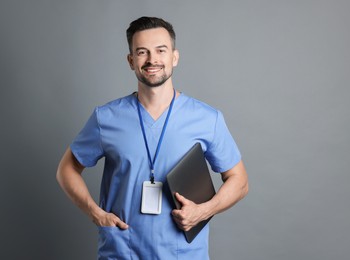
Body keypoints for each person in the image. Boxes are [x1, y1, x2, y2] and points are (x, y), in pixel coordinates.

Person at [56, 16, 248, 259]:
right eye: (142, 52)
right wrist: (96, 213)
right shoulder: (106, 118)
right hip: (122, 251)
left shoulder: (207, 118)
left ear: (174, 57)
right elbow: (66, 170)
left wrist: (203, 211)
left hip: (182, 253)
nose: (152, 60)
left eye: (160, 50)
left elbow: (239, 181)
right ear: (131, 60)